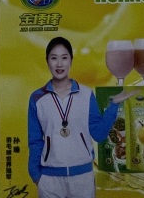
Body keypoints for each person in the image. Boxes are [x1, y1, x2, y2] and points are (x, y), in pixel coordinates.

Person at [27, 37, 135, 197]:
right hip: (49, 180)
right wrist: (36, 175)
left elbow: (98, 134)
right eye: (54, 58)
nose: (59, 64)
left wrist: (113, 105)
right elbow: (35, 141)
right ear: (47, 61)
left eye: (64, 58)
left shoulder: (86, 94)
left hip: (82, 178)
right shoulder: (37, 98)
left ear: (71, 60)